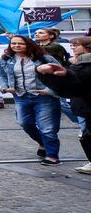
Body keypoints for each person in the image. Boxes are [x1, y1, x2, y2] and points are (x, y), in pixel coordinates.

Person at [0, 35, 62, 165]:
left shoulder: (44, 58)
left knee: (47, 128)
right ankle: (42, 143)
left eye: (20, 43)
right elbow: (2, 75)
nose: (16, 46)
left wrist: (49, 90)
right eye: (13, 43)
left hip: (44, 97)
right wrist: (5, 87)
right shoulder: (6, 59)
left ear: (29, 44)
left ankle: (52, 156)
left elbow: (60, 74)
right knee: (25, 123)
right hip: (21, 96)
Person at [37, 36, 91, 174]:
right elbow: (73, 86)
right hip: (85, 107)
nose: (73, 48)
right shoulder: (80, 64)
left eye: (76, 46)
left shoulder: (83, 64)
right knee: (87, 136)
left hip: (85, 106)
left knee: (87, 136)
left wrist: (64, 74)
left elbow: (74, 85)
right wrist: (62, 74)